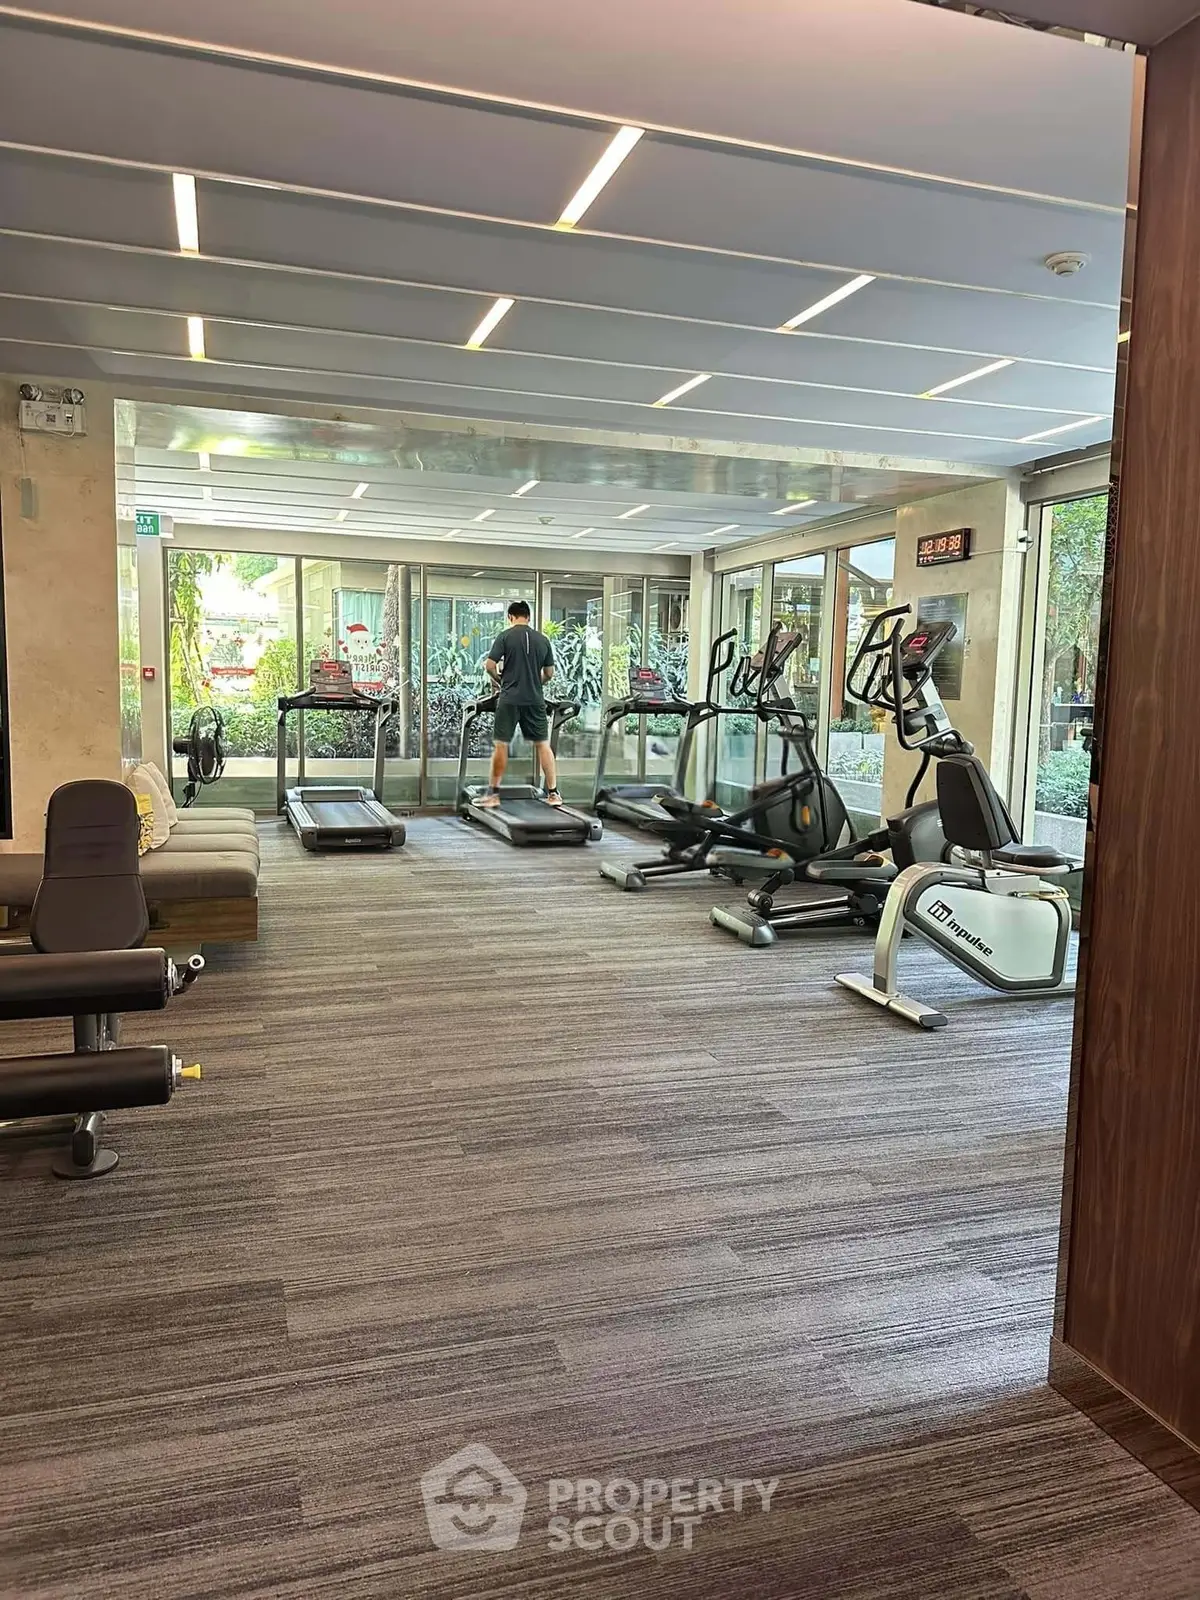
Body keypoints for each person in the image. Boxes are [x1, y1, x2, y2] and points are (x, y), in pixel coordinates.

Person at [478, 600, 562, 807]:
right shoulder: (543, 640)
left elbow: (489, 665)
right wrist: (535, 683)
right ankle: (553, 794)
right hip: (534, 699)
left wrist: (500, 679)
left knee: (501, 745)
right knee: (543, 744)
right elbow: (549, 673)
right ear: (529, 617)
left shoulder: (505, 636)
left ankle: (493, 795)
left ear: (510, 617)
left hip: (509, 699)